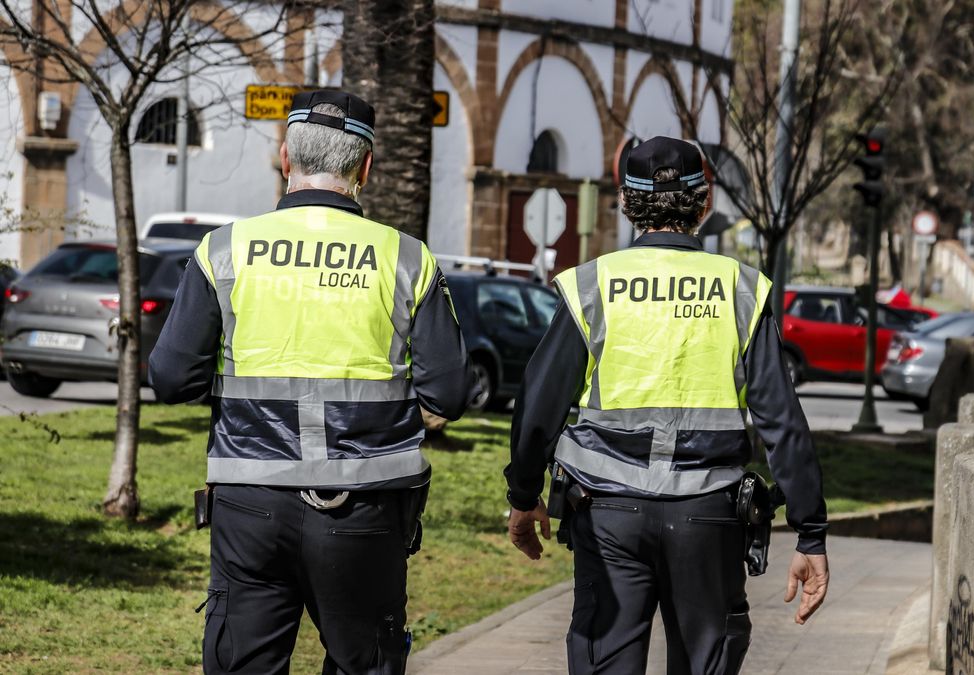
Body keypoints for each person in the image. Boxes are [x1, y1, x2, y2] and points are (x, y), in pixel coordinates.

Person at [149, 90, 473, 674]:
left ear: (284, 158)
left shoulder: (222, 251)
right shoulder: (405, 259)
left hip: (250, 504)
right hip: (365, 510)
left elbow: (170, 378)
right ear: (365, 167)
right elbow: (448, 393)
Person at [504, 136, 829, 674]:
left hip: (607, 513)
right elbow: (782, 420)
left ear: (626, 204)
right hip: (708, 516)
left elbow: (539, 401)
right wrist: (810, 531)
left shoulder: (593, 285)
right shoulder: (741, 290)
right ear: (704, 204)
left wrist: (522, 494)